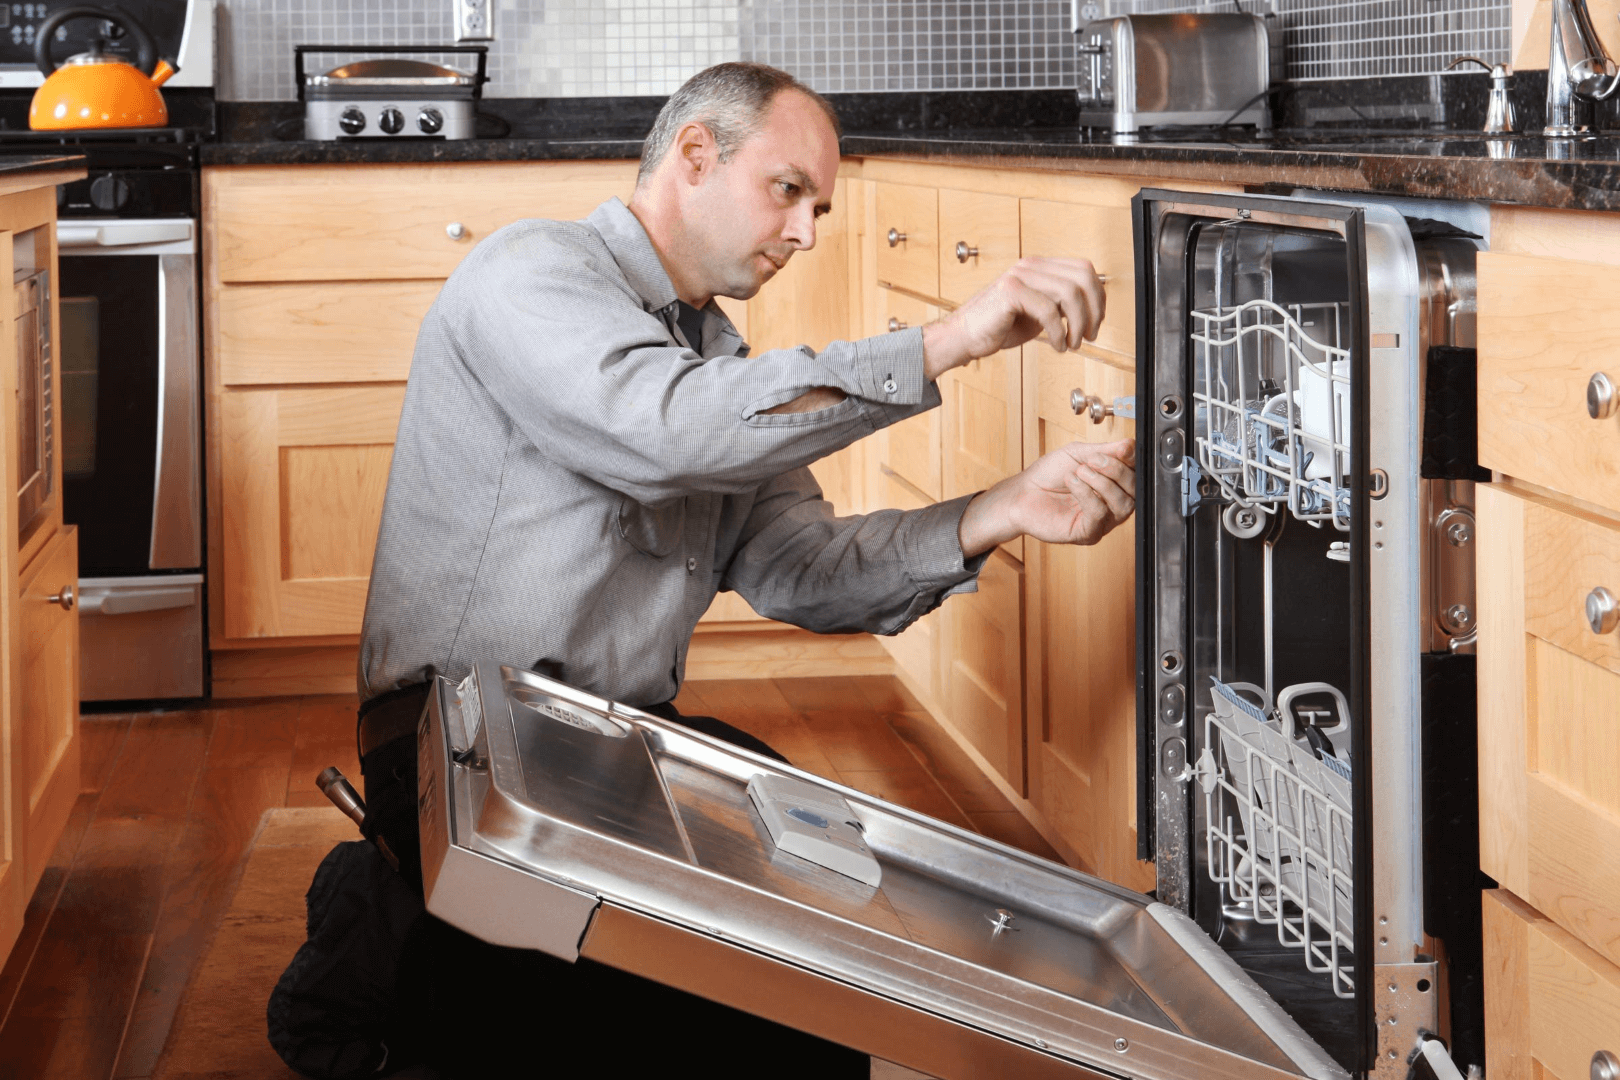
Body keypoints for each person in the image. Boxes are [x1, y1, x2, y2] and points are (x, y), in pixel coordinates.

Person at [271, 62, 1134, 1080]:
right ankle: (382, 928)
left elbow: (802, 569)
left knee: (829, 935)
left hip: (609, 746)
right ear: (693, 156)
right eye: (788, 190)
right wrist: (948, 341)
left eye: (820, 208)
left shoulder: (720, 368)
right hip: (462, 755)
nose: (806, 232)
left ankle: (407, 913)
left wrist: (999, 511)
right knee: (739, 1037)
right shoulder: (532, 273)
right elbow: (664, 430)